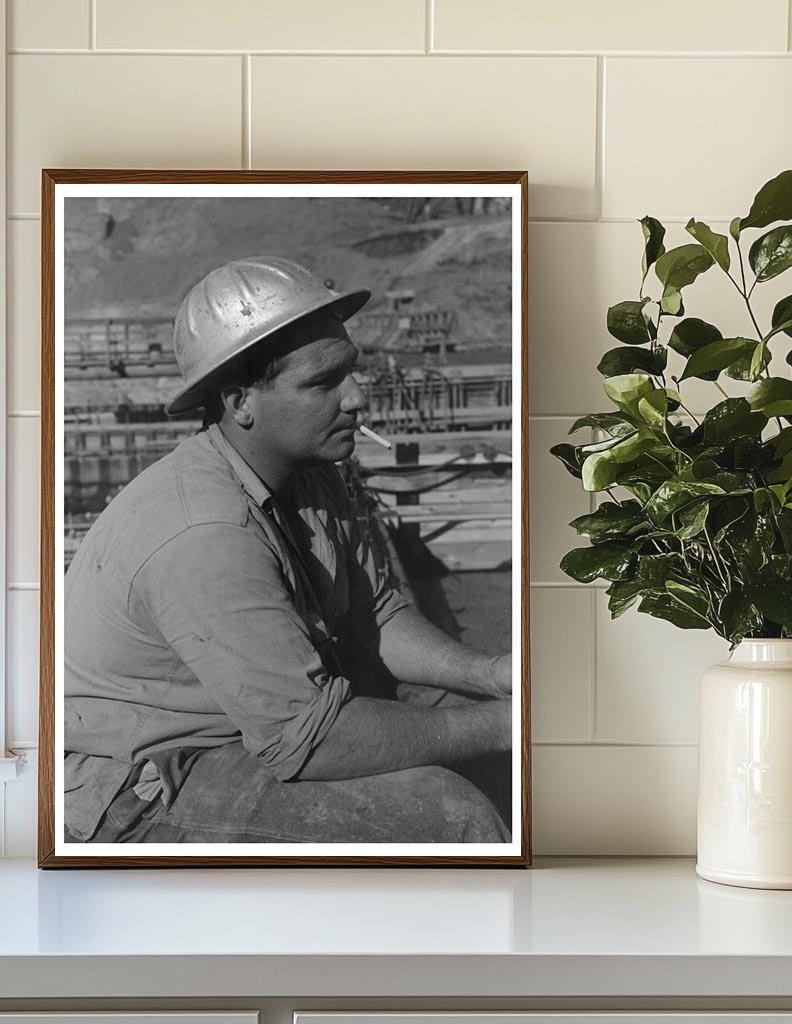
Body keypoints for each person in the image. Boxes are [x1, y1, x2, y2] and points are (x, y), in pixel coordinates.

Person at [63, 256, 512, 845]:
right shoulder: (204, 532)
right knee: (447, 810)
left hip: (256, 724)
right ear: (241, 401)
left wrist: (492, 676)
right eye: (323, 383)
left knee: (474, 720)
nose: (356, 398)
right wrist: (503, 725)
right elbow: (308, 739)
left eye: (350, 372)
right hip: (145, 780)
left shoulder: (306, 471)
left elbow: (373, 616)